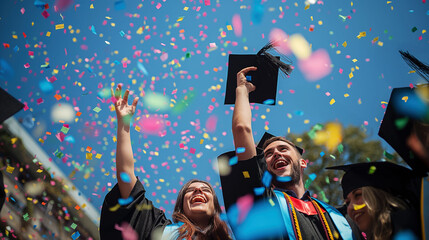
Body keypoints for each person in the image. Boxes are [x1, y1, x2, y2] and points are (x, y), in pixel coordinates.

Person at [219, 66, 359, 240]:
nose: (276, 154)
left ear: (302, 162)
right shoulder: (263, 202)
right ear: (264, 168)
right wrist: (242, 90)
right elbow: (242, 129)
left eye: (283, 149)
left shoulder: (340, 219)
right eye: (268, 154)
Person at [100, 84, 232, 240]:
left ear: (216, 207)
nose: (198, 191)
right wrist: (124, 124)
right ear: (181, 207)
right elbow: (127, 176)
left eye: (206, 189)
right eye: (190, 190)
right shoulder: (158, 227)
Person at [327, 162, 422, 240]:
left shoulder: (405, 224)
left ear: (377, 196)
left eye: (358, 195)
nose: (351, 207)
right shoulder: (380, 234)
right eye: (347, 203)